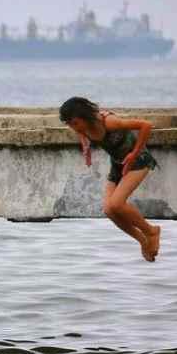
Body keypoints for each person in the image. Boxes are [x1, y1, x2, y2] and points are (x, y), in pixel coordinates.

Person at [59, 97, 161, 261]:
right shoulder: (81, 127)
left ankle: (151, 231)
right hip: (118, 165)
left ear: (84, 117)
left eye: (75, 123)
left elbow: (146, 125)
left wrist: (133, 153)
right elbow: (81, 132)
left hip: (138, 161)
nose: (73, 128)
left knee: (116, 204)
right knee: (109, 210)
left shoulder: (109, 122)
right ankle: (142, 241)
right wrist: (85, 147)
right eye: (70, 124)